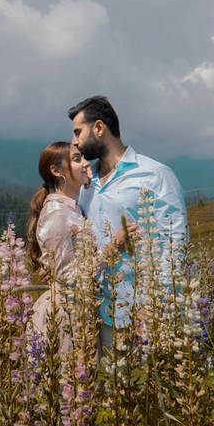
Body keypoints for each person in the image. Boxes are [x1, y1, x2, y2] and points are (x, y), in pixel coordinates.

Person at [68, 96, 188, 347]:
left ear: (99, 128)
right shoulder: (88, 184)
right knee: (108, 385)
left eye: (79, 132)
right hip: (99, 312)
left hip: (144, 311)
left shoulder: (155, 174)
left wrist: (157, 306)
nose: (75, 142)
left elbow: (175, 241)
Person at [25, 141, 132, 348]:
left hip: (79, 308)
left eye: (83, 157)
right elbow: (68, 277)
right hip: (65, 314)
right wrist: (113, 246)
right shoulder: (57, 213)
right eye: (76, 159)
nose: (85, 163)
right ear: (56, 171)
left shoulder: (71, 207)